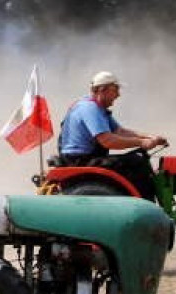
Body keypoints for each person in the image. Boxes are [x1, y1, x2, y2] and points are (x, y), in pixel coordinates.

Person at [58, 71, 167, 200]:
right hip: (80, 160)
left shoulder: (95, 107)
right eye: (115, 90)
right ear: (102, 90)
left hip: (81, 157)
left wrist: (150, 137)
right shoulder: (89, 109)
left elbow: (119, 131)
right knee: (137, 162)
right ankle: (147, 207)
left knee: (137, 158)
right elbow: (107, 141)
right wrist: (142, 143)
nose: (118, 95)